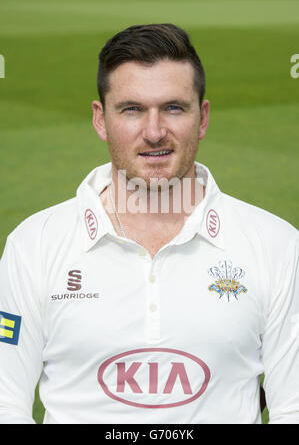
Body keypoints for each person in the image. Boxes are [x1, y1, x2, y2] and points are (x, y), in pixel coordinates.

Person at [0, 23, 298, 424]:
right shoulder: (33, 245)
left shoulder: (277, 245)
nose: (154, 132)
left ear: (203, 117)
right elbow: (6, 403)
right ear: (101, 119)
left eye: (174, 108)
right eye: (132, 109)